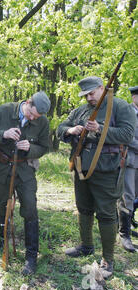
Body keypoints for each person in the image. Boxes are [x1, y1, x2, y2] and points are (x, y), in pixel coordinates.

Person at [57, 76, 136, 279]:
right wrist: (70, 130)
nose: (90, 98)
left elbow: (128, 134)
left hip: (107, 170)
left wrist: (100, 129)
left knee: (107, 214)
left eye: (92, 93)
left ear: (102, 88)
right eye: (86, 95)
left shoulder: (119, 106)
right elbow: (60, 128)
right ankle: (86, 245)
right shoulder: (81, 110)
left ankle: (108, 259)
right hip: (82, 167)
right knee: (83, 208)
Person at [0, 91, 50, 275]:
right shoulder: (4, 110)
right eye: (30, 114)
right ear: (27, 102)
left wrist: (30, 148)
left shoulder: (42, 122)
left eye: (36, 117)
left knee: (30, 208)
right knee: (1, 204)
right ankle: (1, 242)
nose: (32, 118)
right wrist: (3, 134)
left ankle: (31, 255)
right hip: (2, 167)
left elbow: (45, 146)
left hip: (25, 169)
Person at [117, 85, 138, 253]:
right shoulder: (127, 113)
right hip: (129, 158)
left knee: (135, 195)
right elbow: (125, 136)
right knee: (127, 195)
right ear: (134, 98)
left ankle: (129, 224)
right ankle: (124, 234)